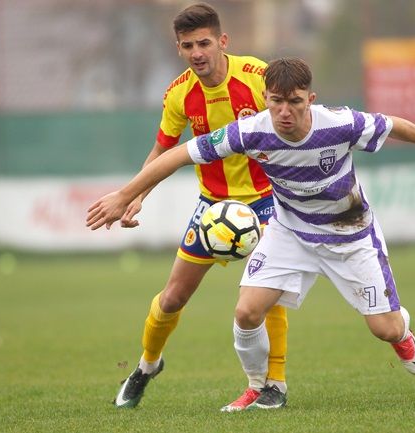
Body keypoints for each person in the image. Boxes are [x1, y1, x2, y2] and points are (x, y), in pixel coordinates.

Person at [86, 57, 415, 410]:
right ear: (266, 98)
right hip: (290, 232)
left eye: (295, 102)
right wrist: (125, 194)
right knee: (247, 312)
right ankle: (260, 386)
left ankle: (401, 332)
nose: (285, 111)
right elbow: (178, 155)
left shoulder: (339, 124)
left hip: (350, 235)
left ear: (310, 99)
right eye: (276, 102)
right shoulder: (250, 132)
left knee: (384, 329)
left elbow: (391, 124)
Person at [107, 3, 288, 411]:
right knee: (172, 297)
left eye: (204, 43)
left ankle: (274, 383)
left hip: (265, 201)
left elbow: (290, 124)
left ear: (222, 41)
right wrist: (136, 195)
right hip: (213, 208)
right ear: (179, 48)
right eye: (188, 46)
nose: (197, 53)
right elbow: (162, 150)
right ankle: (147, 366)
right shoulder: (179, 94)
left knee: (267, 294)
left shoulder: (257, 77)